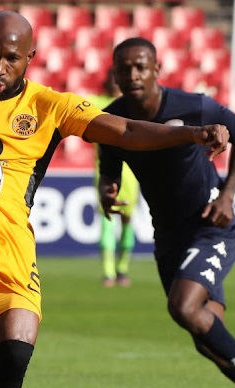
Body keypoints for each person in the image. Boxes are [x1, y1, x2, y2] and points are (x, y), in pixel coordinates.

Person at [0, 12, 229, 388]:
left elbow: (124, 129)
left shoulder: (50, 106)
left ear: (31, 57)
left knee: (14, 353)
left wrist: (190, 133)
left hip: (10, 238)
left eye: (11, 58)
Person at [97, 37, 235, 388]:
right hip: (167, 236)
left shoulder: (193, 106)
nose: (133, 74)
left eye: (140, 66)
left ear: (157, 70)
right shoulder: (112, 119)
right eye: (125, 69)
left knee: (183, 307)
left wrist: (227, 196)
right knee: (204, 331)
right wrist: (107, 187)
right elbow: (109, 164)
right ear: (115, 76)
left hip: (210, 226)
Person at [86, 73, 140, 288]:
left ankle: (122, 268)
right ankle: (108, 272)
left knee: (127, 221)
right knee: (107, 221)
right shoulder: (97, 103)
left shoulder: (134, 105)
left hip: (130, 174)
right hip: (105, 172)